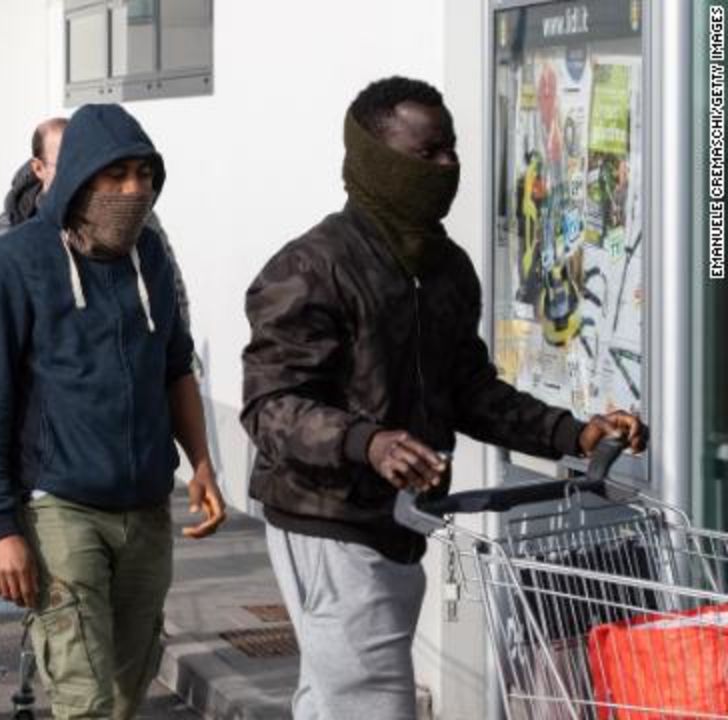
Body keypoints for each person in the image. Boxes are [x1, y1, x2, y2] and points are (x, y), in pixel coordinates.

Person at [239, 76, 648, 719]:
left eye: (452, 148)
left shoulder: (445, 268)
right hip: (330, 516)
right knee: (372, 703)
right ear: (377, 162)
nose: (448, 165)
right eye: (427, 153)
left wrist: (574, 434)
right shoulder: (312, 267)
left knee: (335, 701)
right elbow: (271, 406)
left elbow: (469, 390)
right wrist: (365, 442)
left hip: (403, 517)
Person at [0, 103, 227, 719]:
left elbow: (175, 365)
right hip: (60, 506)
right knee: (86, 697)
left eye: (144, 174)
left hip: (145, 506)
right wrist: (0, 526)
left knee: (126, 692)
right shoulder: (15, 262)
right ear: (78, 177)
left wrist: (204, 463)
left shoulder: (150, 257)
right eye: (115, 175)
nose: (133, 189)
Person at [0, 117, 194, 333]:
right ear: (38, 168)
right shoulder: (4, 238)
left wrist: (179, 350)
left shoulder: (139, 220)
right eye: (64, 163)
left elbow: (172, 291)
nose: (75, 170)